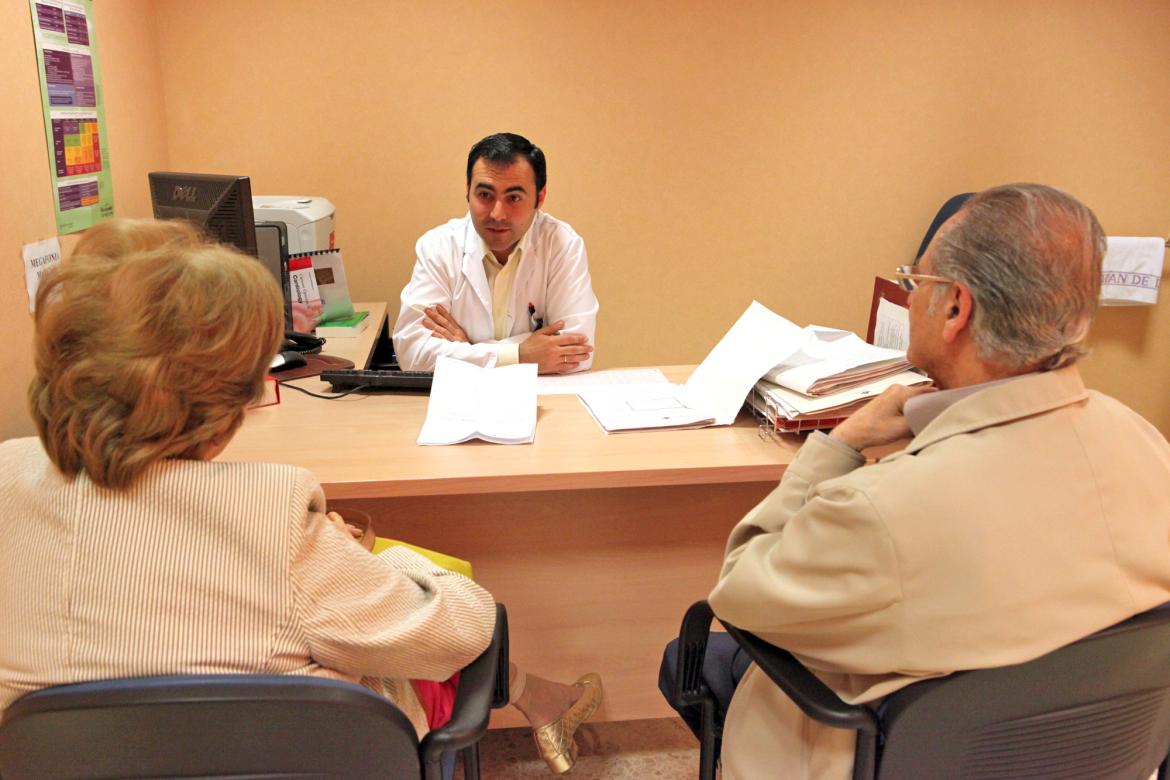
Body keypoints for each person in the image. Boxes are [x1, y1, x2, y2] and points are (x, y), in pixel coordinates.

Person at [0, 218, 601, 775]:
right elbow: (462, 630)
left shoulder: (7, 478)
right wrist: (365, 556)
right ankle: (539, 695)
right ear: (224, 410)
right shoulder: (271, 512)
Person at [659, 183, 1170, 779]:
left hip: (886, 752)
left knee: (701, 657)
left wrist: (840, 444)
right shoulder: (1146, 443)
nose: (908, 298)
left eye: (914, 283)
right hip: (1092, 757)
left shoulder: (881, 512)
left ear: (956, 308)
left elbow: (743, 593)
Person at [393, 132, 599, 374]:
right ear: (468, 190)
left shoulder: (562, 245)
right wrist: (520, 354)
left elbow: (576, 353)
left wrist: (467, 347)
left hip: (539, 398)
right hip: (460, 401)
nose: (497, 214)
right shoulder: (438, 247)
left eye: (513, 197)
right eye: (485, 195)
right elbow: (411, 354)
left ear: (539, 198)